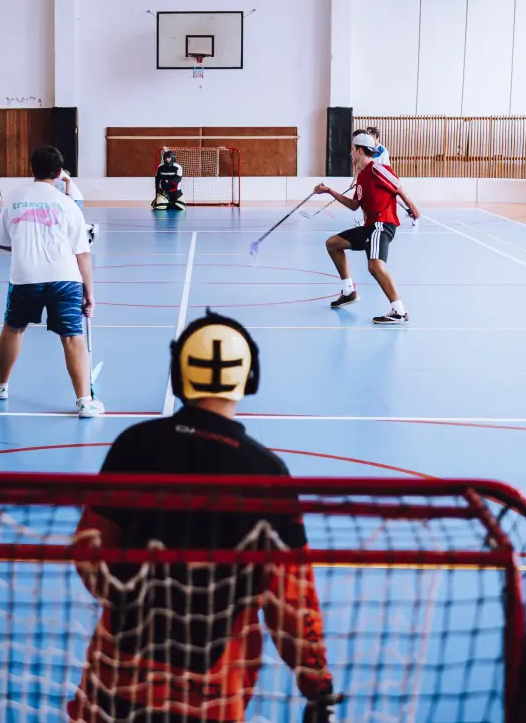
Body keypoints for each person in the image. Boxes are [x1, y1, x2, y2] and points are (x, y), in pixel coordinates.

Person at [69, 310, 340, 723]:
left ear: (180, 375)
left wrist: (141, 596)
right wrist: (316, 685)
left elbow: (89, 551)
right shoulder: (266, 473)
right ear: (249, 378)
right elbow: (291, 603)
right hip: (211, 701)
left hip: (113, 689)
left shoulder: (133, 445)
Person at [0, 145, 104, 418]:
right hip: (66, 279)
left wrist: (28, 241)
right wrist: (90, 292)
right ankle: (85, 401)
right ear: (60, 172)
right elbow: (82, 253)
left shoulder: (14, 199)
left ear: (31, 169)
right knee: (72, 337)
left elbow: (4, 243)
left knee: (14, 328)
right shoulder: (68, 204)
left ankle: (0, 385)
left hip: (26, 277)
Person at [315, 132, 420, 324]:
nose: (351, 155)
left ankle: (399, 311)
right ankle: (348, 291)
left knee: (375, 266)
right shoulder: (362, 176)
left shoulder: (376, 169)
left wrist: (412, 208)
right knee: (333, 244)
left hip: (383, 224)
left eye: (352, 150)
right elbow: (355, 205)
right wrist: (330, 191)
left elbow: (397, 185)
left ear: (360, 150)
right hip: (370, 226)